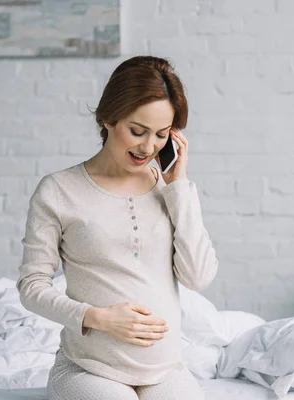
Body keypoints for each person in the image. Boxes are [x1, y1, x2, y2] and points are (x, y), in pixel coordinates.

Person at [16, 55, 218, 400]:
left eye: (161, 135)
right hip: (88, 367)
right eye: (137, 131)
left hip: (165, 370)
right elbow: (31, 286)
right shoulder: (59, 190)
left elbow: (198, 277)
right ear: (108, 117)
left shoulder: (173, 191)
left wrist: (178, 188)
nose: (148, 147)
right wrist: (98, 318)